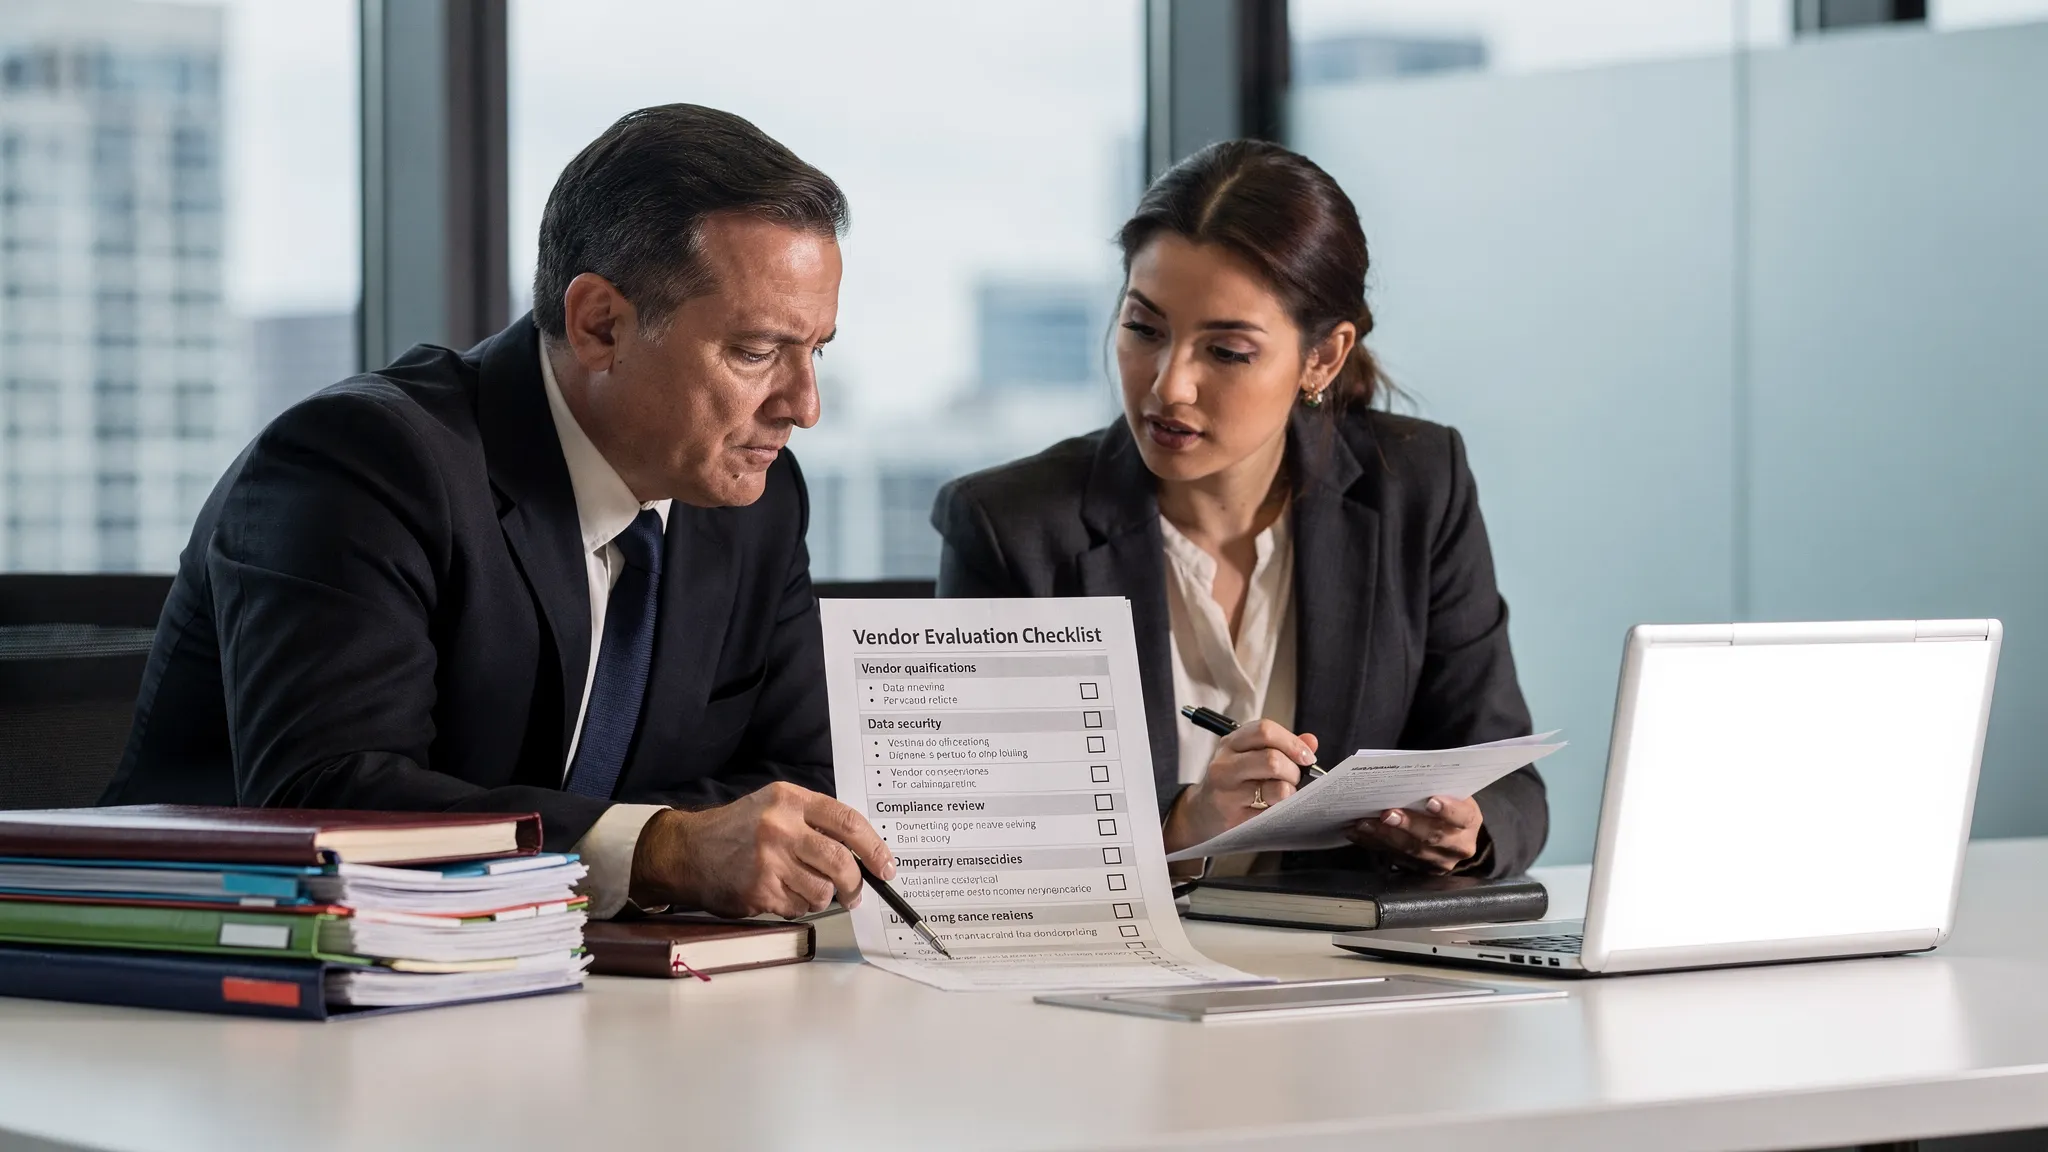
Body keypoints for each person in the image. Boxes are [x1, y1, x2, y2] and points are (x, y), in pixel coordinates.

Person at [102, 105, 895, 919]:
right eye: (757, 353)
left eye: (817, 351)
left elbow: (801, 790)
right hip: (234, 976)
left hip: (566, 986)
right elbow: (327, 797)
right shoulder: (362, 461)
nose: (803, 407)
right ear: (600, 324)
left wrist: (693, 843)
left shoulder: (753, 500)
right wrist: (658, 848)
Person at [930, 140, 1547, 878]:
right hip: (1106, 978)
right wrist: (1180, 828)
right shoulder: (1011, 527)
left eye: (1225, 352)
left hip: (1344, 975)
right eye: (1143, 328)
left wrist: (1464, 831)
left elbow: (1509, 781)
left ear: (1322, 358)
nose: (1169, 387)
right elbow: (977, 850)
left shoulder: (1416, 484)